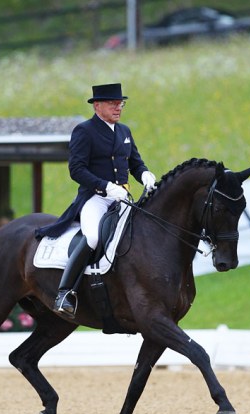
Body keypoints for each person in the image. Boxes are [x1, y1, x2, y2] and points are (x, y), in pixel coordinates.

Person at [36, 83, 157, 318]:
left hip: (123, 199)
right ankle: (65, 292)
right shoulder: (84, 131)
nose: (118, 108)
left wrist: (144, 174)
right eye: (113, 104)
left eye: (120, 103)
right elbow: (76, 169)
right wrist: (106, 186)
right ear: (97, 105)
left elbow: (135, 162)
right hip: (96, 198)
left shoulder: (124, 131)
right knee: (92, 237)